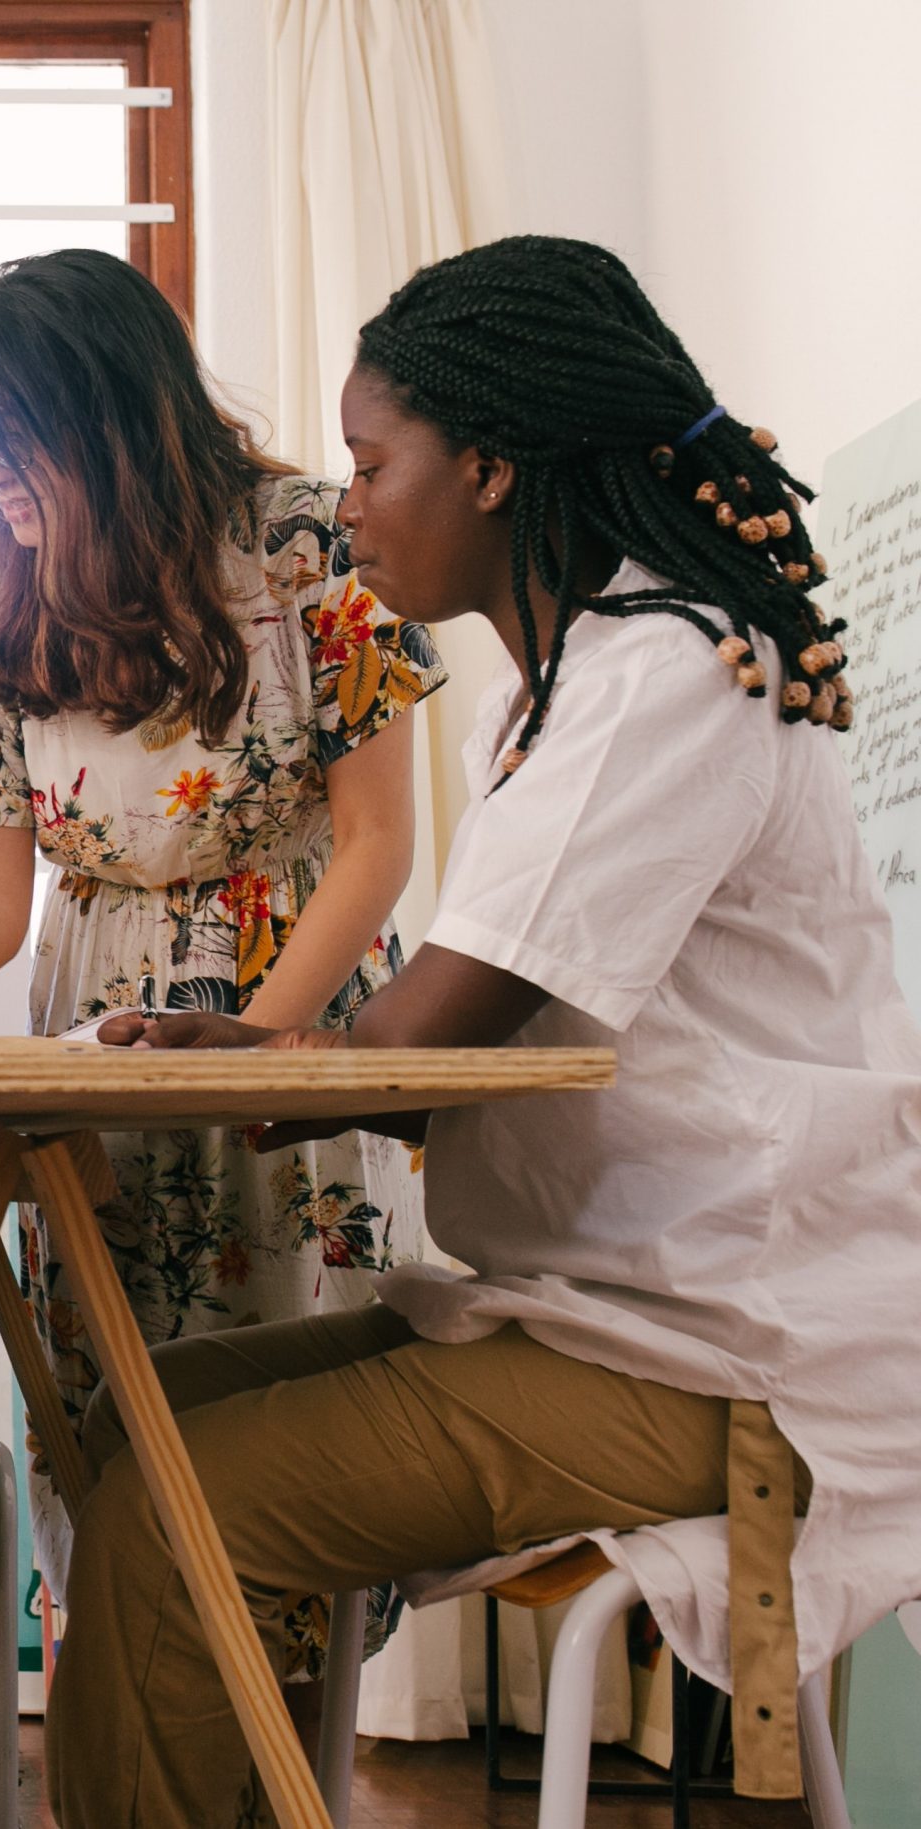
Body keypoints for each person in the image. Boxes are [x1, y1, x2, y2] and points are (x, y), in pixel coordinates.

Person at [52, 234, 921, 1827]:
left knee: (176, 1507)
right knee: (139, 1413)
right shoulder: (595, 675)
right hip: (619, 1305)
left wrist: (276, 1061)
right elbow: (459, 1044)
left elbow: (439, 1031)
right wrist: (295, 1057)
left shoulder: (663, 670)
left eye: (378, 463)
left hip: (731, 1350)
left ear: (496, 465)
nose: (355, 501)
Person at [0, 249, 445, 1680]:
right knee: (108, 1417)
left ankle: (300, 1773)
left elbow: (373, 845)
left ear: (105, 411)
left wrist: (257, 1049)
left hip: (291, 1019)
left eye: (7, 437)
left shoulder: (310, 545)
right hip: (100, 1034)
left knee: (310, 1440)